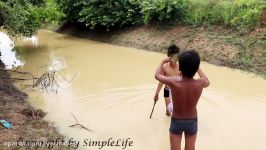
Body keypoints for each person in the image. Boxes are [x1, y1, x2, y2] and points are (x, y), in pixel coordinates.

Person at [155, 50, 210, 150]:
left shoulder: (174, 81)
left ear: (180, 67)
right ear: (196, 67)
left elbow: (157, 76)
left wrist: (162, 62)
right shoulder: (200, 83)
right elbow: (207, 81)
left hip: (177, 120)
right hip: (192, 120)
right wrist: (197, 67)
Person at [153, 44, 181, 116]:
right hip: (167, 90)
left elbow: (184, 81)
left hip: (177, 91)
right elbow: (161, 80)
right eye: (170, 57)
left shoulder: (181, 67)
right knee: (168, 111)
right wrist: (157, 93)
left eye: (174, 57)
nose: (172, 59)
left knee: (176, 112)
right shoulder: (165, 66)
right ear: (168, 56)